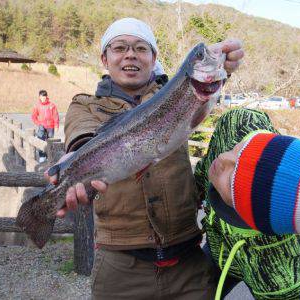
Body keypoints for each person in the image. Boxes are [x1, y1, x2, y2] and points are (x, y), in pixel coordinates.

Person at [46, 17, 244, 299]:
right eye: (120, 48)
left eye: (141, 48)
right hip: (119, 269)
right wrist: (77, 163)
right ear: (104, 58)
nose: (130, 54)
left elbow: (198, 85)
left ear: (154, 58)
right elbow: (82, 138)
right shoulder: (84, 105)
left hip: (188, 263)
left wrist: (224, 64)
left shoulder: (172, 93)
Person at [194, 108, 300, 299]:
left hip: (265, 265)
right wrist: (194, 192)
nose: (224, 158)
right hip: (220, 247)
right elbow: (206, 166)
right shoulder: (238, 123)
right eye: (240, 150)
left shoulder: (286, 278)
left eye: (233, 180)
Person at [31, 89, 59, 162]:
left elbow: (55, 116)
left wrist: (56, 126)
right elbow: (33, 116)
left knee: (50, 142)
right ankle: (42, 156)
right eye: (42, 96)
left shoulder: (52, 105)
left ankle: (49, 156)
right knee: (40, 140)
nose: (43, 98)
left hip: (50, 126)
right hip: (41, 126)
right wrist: (38, 123)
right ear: (39, 97)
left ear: (47, 97)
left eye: (44, 96)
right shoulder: (37, 106)